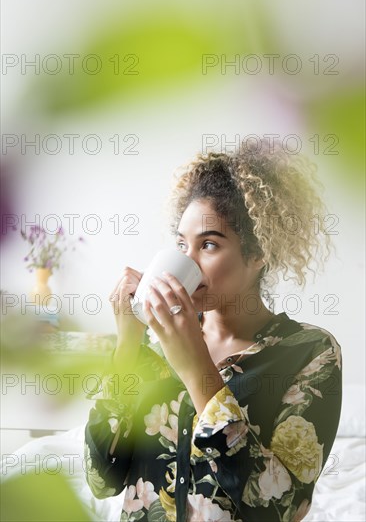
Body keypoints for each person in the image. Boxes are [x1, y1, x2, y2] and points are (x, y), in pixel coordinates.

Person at [84, 138, 342, 522]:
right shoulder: (154, 348)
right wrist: (128, 343)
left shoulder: (310, 352)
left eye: (208, 244)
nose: (185, 262)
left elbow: (282, 509)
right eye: (180, 244)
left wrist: (195, 368)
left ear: (258, 253)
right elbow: (101, 480)